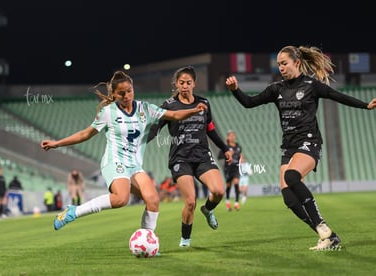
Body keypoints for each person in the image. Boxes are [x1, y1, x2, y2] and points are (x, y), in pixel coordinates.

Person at [226, 45, 376, 251]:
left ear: (297, 63)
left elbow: (338, 96)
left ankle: (322, 225)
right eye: (278, 64)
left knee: (291, 177)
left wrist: (365, 105)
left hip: (309, 142)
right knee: (289, 199)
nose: (281, 68)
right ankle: (327, 236)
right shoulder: (276, 89)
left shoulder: (311, 85)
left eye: (284, 63)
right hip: (288, 147)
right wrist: (235, 90)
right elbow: (249, 103)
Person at [41, 70, 207, 241]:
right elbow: (85, 134)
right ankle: (74, 211)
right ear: (114, 94)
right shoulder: (108, 112)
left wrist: (194, 111)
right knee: (121, 199)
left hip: (135, 166)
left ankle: (147, 240)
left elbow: (173, 115)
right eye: (121, 93)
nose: (127, 95)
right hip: (115, 162)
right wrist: (57, 143)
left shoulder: (145, 108)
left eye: (129, 91)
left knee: (153, 199)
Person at [148, 66, 232, 247]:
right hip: (180, 158)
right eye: (181, 83)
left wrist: (224, 148)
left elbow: (210, 129)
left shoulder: (204, 103)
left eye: (188, 83)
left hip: (202, 155)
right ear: (176, 84)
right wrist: (139, 143)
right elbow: (155, 128)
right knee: (190, 201)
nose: (185, 86)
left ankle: (208, 210)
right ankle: (185, 239)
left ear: (194, 83)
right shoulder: (169, 105)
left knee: (218, 191)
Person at [218, 130, 243, 211]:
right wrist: (228, 155)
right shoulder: (225, 147)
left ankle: (236, 203)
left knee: (236, 183)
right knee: (228, 185)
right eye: (231, 135)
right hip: (228, 168)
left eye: (233, 135)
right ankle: (227, 202)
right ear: (228, 137)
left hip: (236, 167)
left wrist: (241, 158)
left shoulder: (238, 146)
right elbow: (219, 157)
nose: (232, 137)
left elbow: (239, 156)